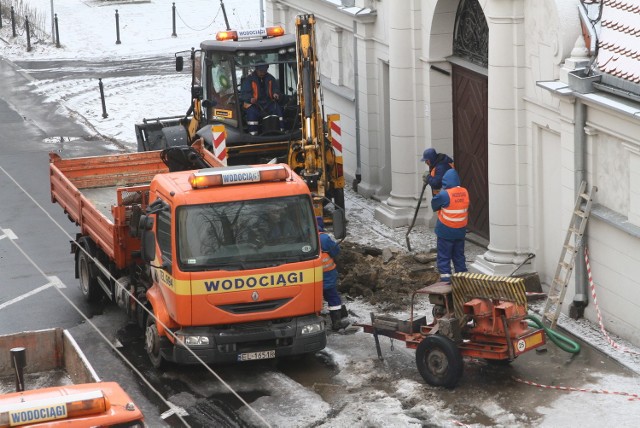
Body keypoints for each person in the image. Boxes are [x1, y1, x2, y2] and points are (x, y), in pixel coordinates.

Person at [430, 169, 469, 284]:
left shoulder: (444, 194)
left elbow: (435, 205)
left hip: (445, 231)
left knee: (444, 255)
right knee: (458, 255)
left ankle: (446, 278)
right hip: (460, 231)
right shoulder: (465, 191)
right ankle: (461, 278)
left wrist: (439, 193)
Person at [317, 216, 349, 331]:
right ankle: (337, 322)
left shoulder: (304, 237)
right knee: (332, 297)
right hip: (326, 275)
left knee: (314, 299)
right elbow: (335, 251)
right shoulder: (324, 238)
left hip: (309, 276)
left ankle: (317, 321)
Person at [240, 64, 284, 135]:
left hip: (268, 103)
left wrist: (276, 94)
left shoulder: (271, 78)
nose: (262, 73)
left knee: (278, 109)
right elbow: (243, 94)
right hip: (254, 104)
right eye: (260, 71)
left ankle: (281, 131)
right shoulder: (248, 79)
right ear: (256, 69)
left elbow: (276, 89)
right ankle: (253, 135)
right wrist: (250, 99)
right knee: (251, 113)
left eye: (264, 71)